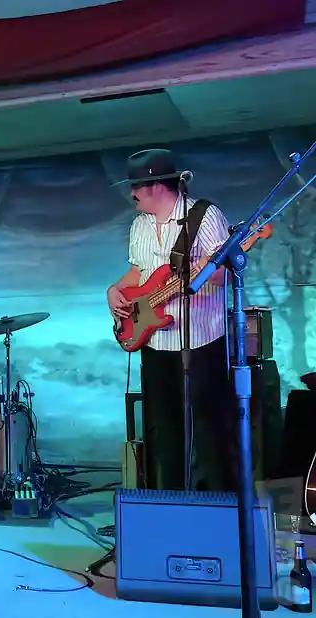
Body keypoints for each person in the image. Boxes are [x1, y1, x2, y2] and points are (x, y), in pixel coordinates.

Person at [107, 149, 236, 492]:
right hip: (155, 342)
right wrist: (115, 290)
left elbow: (222, 273)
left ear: (154, 187)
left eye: (135, 186)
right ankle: (168, 504)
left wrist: (200, 276)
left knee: (209, 434)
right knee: (162, 434)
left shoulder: (205, 216)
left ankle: (218, 512)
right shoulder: (139, 225)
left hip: (201, 343)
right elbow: (140, 272)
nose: (131, 193)